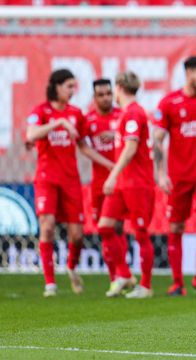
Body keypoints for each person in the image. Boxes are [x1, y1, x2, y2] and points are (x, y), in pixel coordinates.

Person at [26, 69, 114, 297]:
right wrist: (58, 124)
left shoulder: (77, 114)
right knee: (47, 227)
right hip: (46, 179)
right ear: (56, 86)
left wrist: (110, 165)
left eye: (74, 87)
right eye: (69, 86)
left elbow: (84, 146)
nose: (72, 91)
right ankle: (50, 284)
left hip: (71, 180)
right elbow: (31, 134)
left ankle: (71, 267)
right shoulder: (42, 111)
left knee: (77, 235)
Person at [153, 56, 196, 296]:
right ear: (188, 73)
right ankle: (177, 282)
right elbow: (157, 140)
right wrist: (160, 173)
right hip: (178, 177)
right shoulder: (169, 103)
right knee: (176, 226)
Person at [97, 71, 156, 299]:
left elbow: (131, 148)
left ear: (119, 86)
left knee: (141, 233)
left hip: (137, 182)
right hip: (124, 183)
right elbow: (130, 139)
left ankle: (146, 286)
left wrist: (112, 175)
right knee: (105, 226)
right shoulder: (128, 114)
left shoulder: (133, 112)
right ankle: (123, 274)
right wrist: (114, 136)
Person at [84, 79, 130, 287]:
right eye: (100, 94)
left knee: (116, 228)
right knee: (104, 231)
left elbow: (133, 141)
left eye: (108, 93)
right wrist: (109, 165)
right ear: (94, 98)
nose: (105, 98)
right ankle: (116, 278)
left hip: (119, 183)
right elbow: (84, 147)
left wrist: (116, 135)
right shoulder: (88, 121)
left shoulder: (122, 116)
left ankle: (123, 275)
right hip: (98, 184)